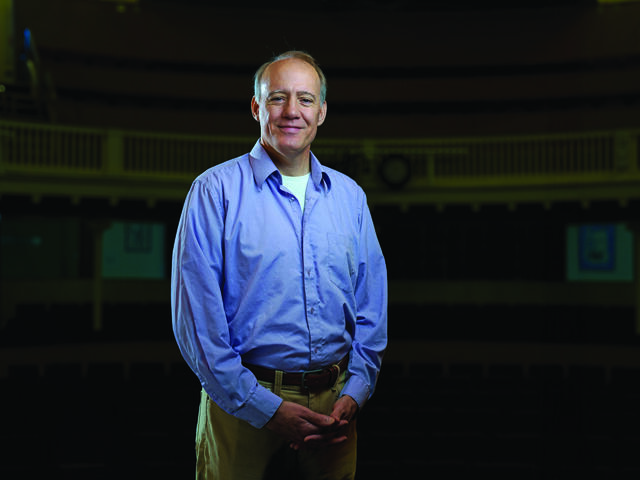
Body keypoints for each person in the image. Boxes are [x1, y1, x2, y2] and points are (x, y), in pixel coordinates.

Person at [171, 50, 387, 480]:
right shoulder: (214, 192)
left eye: (306, 99)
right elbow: (198, 327)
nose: (292, 111)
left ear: (322, 112)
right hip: (239, 405)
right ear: (256, 106)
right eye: (278, 98)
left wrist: (357, 391)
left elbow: (372, 310)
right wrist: (264, 409)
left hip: (335, 411)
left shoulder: (351, 198)